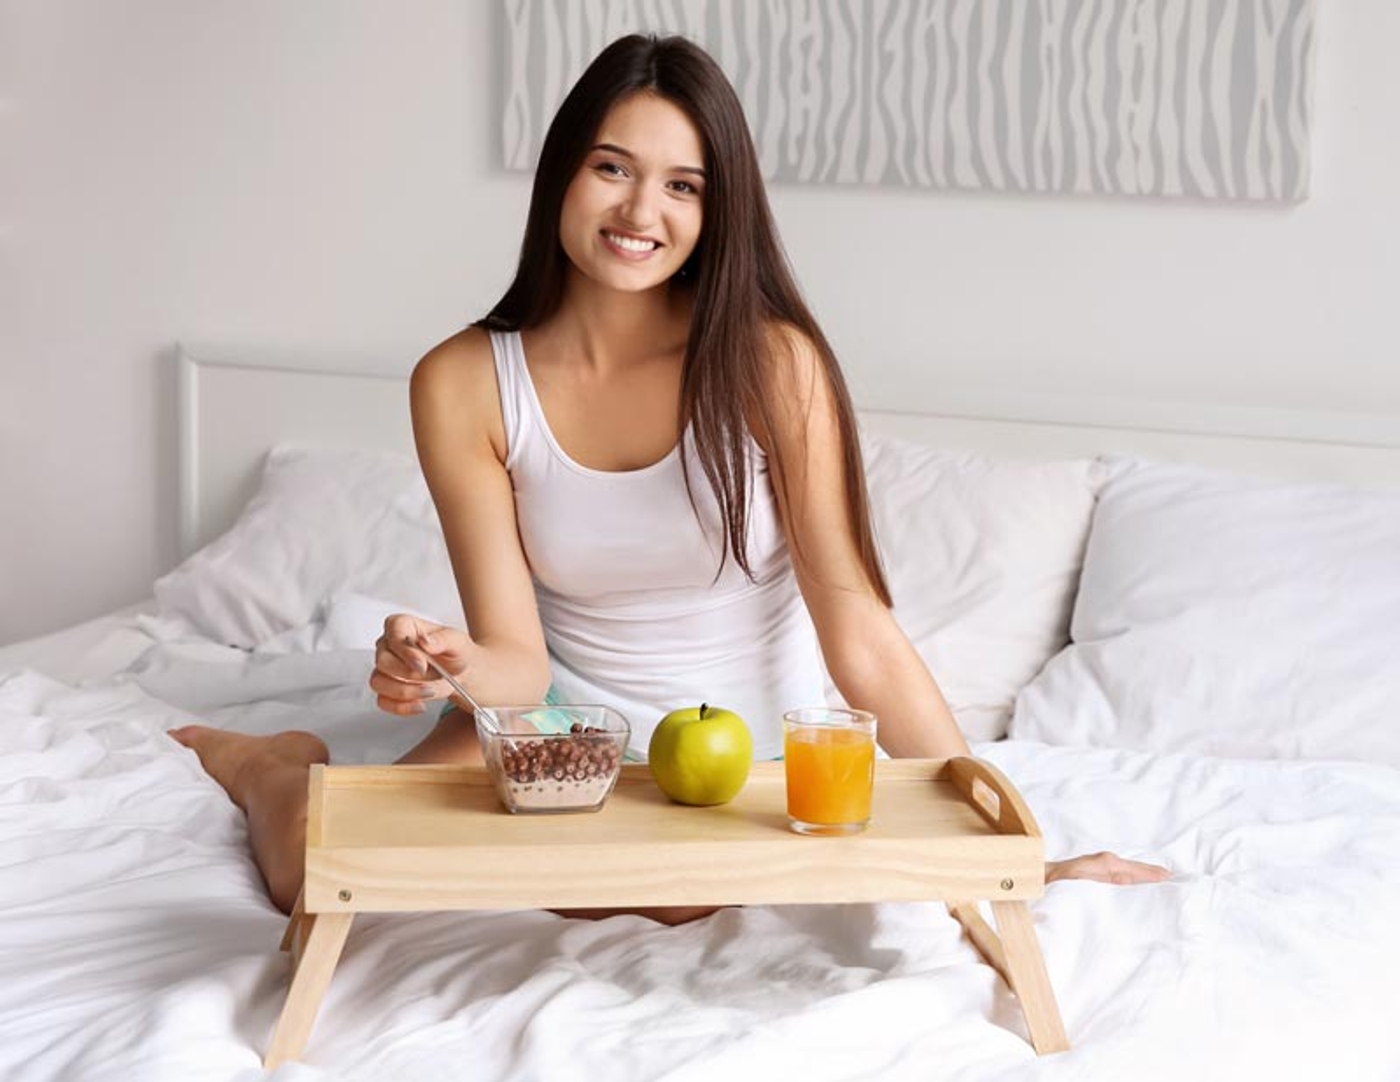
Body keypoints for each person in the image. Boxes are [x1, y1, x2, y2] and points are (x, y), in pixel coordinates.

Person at [171, 33, 1168, 921]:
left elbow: (856, 627)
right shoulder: (464, 380)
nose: (640, 210)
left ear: (715, 205)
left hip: (750, 742)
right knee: (327, 872)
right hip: (557, 728)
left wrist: (1005, 853)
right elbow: (516, 662)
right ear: (562, 173)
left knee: (673, 896)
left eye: (682, 185)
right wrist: (448, 662)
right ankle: (270, 763)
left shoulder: (770, 363)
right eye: (612, 167)